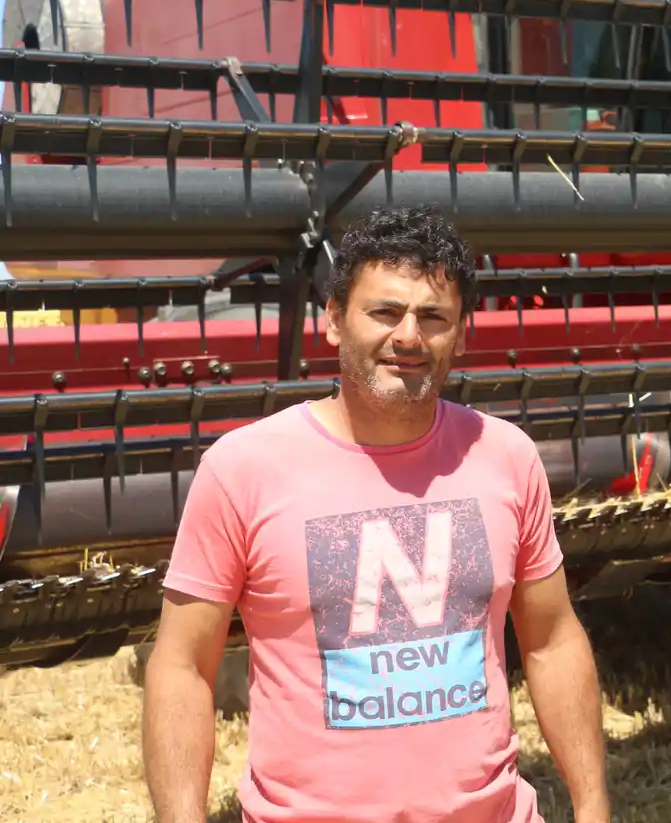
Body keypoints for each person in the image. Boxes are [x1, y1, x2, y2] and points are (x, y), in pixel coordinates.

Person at [141, 205, 610, 823]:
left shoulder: (506, 457)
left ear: (462, 333)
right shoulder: (243, 469)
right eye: (384, 312)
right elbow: (181, 668)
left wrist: (594, 807)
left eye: (433, 317)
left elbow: (551, 640)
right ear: (334, 319)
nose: (409, 337)